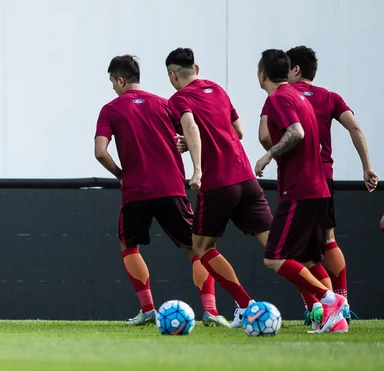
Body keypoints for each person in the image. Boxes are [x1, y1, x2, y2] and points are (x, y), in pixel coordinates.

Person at [94, 55, 229, 327]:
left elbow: (100, 152)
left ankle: (147, 309)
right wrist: (190, 157)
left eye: (112, 81)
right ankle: (211, 311)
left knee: (129, 246)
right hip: (172, 188)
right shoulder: (165, 104)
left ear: (120, 80)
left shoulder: (110, 109)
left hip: (136, 192)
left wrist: (120, 174)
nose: (112, 87)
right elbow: (193, 133)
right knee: (196, 248)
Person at [260, 45, 378, 325]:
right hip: (323, 176)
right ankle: (339, 306)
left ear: (295, 70)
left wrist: (273, 153)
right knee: (326, 242)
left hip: (299, 182)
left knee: (285, 255)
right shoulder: (329, 97)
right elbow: (355, 128)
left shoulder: (282, 97)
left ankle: (320, 305)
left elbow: (265, 135)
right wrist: (367, 167)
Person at [165, 47, 273, 328]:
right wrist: (200, 140)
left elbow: (190, 127)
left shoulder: (178, 99)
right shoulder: (217, 89)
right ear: (197, 69)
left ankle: (246, 305)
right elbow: (237, 131)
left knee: (201, 247)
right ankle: (321, 300)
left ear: (173, 75)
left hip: (218, 182)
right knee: (276, 245)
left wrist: (197, 167)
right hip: (247, 177)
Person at [255, 49, 347, 333]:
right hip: (318, 189)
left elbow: (296, 132)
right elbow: (314, 142)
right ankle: (336, 321)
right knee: (309, 259)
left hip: (300, 191)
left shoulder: (280, 97)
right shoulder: (299, 98)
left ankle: (330, 300)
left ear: (262, 74)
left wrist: (269, 154)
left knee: (274, 258)